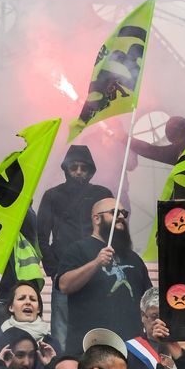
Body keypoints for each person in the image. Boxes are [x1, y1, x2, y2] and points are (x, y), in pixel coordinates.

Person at [36, 146, 112, 349]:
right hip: (65, 274)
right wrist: (54, 270)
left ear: (90, 170)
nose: (79, 171)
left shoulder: (102, 194)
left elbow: (113, 231)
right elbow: (41, 235)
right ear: (66, 169)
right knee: (61, 330)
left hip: (98, 274)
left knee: (100, 329)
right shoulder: (52, 196)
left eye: (83, 168)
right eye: (74, 167)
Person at [55, 198, 151, 354]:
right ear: (96, 218)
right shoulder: (78, 249)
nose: (121, 216)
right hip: (90, 347)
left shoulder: (134, 258)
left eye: (123, 213)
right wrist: (96, 263)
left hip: (131, 348)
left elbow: (148, 299)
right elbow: (64, 285)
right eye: (114, 212)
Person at [0, 281, 56, 354]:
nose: (28, 302)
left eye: (33, 299)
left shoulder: (51, 343)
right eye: (21, 298)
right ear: (11, 307)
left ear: (39, 308)